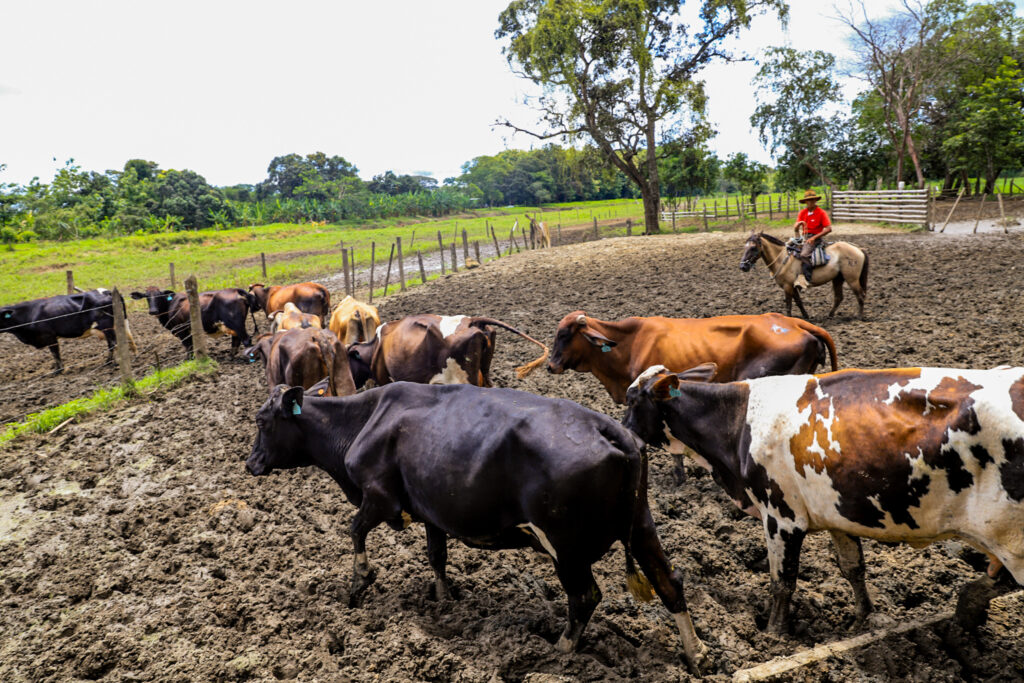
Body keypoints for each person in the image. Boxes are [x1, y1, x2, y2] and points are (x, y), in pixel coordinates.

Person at [792, 189, 832, 290]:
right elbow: (797, 224)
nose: (810, 202)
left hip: (815, 238)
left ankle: (807, 279)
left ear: (815, 200)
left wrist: (814, 237)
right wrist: (796, 226)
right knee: (789, 249)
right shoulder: (802, 212)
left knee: (804, 254)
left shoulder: (821, 212)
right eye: (808, 200)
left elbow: (828, 228)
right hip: (804, 237)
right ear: (805, 202)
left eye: (812, 200)